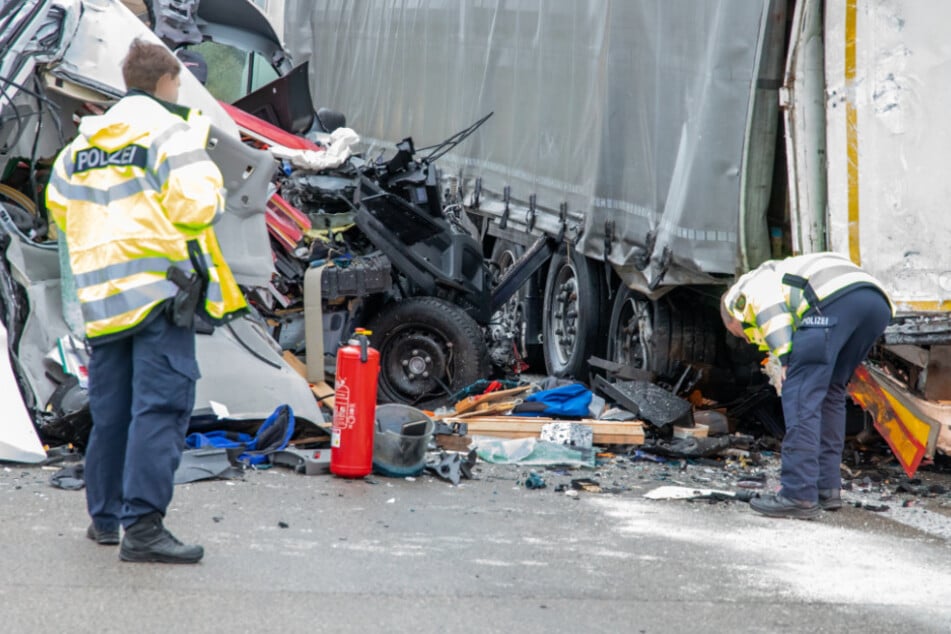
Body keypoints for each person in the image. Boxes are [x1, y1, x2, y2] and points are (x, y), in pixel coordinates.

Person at [46, 38, 247, 562]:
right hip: (160, 293)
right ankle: (144, 528)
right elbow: (198, 207)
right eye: (179, 84)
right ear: (166, 83)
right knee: (159, 409)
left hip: (103, 301)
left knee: (111, 412)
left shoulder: (80, 147)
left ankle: (105, 518)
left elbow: (61, 211)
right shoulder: (170, 133)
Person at [721, 252, 893, 519]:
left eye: (739, 333)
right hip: (875, 303)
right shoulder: (783, 272)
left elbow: (769, 310)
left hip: (832, 301)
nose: (746, 338)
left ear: (733, 318)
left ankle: (797, 493)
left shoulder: (743, 292)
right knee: (831, 392)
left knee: (801, 393)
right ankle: (827, 488)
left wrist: (786, 356)